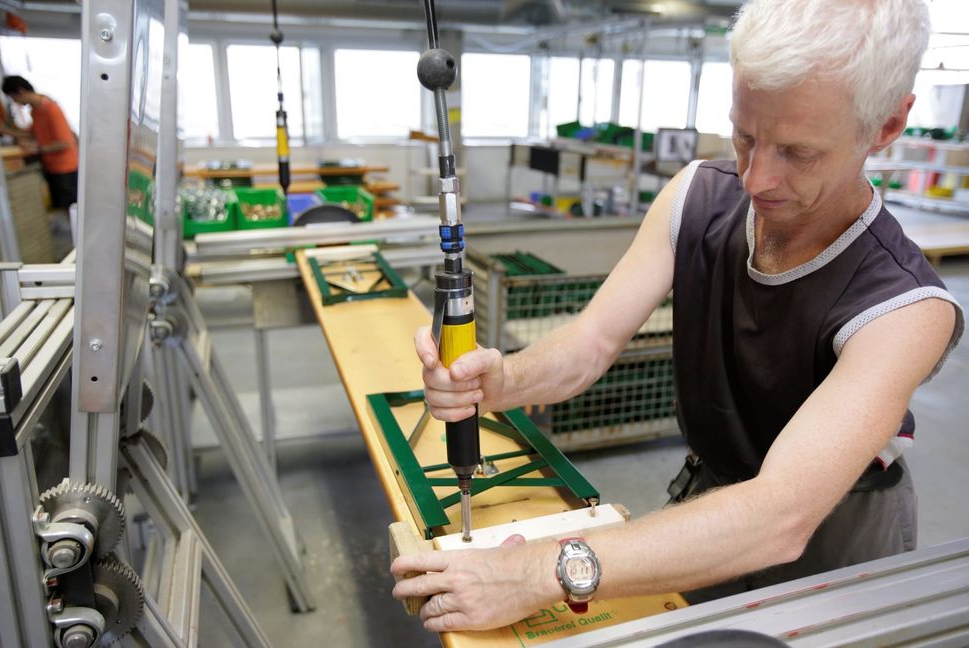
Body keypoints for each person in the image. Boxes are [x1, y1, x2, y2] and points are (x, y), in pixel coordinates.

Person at [392, 0, 964, 633]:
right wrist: (500, 381)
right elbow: (590, 342)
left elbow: (779, 517)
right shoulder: (696, 195)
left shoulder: (904, 306)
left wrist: (533, 573)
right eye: (745, 136)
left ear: (886, 126)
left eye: (798, 152)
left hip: (835, 543)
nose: (754, 177)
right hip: (709, 502)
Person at [0, 75, 79, 212]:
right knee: (62, 208)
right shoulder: (36, 111)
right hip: (53, 167)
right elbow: (33, 133)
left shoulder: (50, 109)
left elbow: (65, 143)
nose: (15, 102)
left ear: (21, 92)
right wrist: (6, 131)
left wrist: (37, 149)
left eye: (14, 97)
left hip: (65, 168)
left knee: (71, 211)